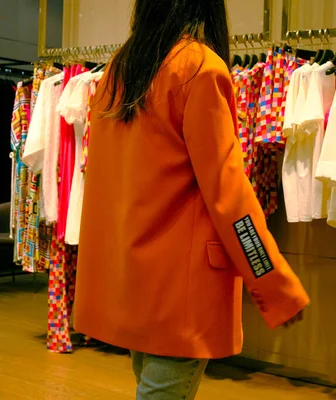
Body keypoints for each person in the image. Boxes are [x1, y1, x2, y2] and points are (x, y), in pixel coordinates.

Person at [73, 1, 310, 398]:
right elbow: (229, 194)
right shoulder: (199, 69)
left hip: (131, 279)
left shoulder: (122, 66)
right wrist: (274, 284)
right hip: (179, 293)